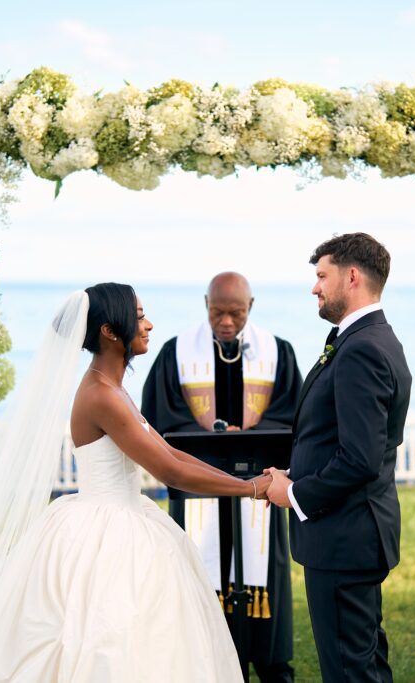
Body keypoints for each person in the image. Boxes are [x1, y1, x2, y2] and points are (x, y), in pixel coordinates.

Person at [0, 283, 271, 683]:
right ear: (110, 332)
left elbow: (170, 453)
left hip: (126, 515)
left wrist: (249, 480)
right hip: (105, 531)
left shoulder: (115, 389)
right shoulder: (101, 396)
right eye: (140, 317)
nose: (148, 326)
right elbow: (170, 472)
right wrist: (253, 489)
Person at [142, 272, 301, 683]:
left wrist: (248, 442)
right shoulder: (175, 354)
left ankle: (270, 664)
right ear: (205, 304)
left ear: (252, 306)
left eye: (236, 312)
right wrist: (215, 436)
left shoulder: (278, 354)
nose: (226, 322)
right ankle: (209, 664)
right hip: (198, 490)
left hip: (260, 492)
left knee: (265, 576)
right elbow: (161, 417)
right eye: (217, 312)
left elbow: (292, 415)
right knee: (199, 573)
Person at [266, 234, 411, 683]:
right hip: (354, 533)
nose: (315, 288)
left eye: (321, 276)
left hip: (344, 538)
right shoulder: (371, 339)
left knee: (349, 672)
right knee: (364, 664)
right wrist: (296, 471)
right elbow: (345, 441)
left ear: (351, 277)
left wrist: (294, 493)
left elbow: (360, 459)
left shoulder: (362, 348)